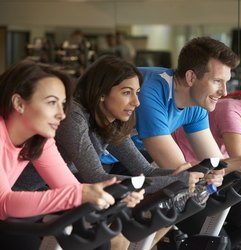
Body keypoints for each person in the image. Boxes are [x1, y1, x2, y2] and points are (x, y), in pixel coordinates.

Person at [0, 59, 144, 249]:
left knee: (99, 242)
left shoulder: (40, 139)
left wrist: (115, 197)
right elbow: (5, 204)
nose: (61, 114)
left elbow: (69, 187)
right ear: (19, 103)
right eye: (52, 103)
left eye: (63, 104)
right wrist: (81, 194)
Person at [133, 36, 241, 176]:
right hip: (114, 161)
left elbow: (214, 163)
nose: (224, 92)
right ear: (191, 77)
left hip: (135, 159)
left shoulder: (196, 104)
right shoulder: (150, 91)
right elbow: (178, 170)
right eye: (217, 81)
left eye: (226, 82)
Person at [55, 55, 208, 195]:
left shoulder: (112, 123)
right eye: (127, 93)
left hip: (60, 194)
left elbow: (145, 170)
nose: (136, 102)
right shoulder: (73, 118)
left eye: (137, 93)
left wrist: (186, 175)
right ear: (101, 93)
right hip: (40, 194)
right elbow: (96, 177)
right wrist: (174, 180)